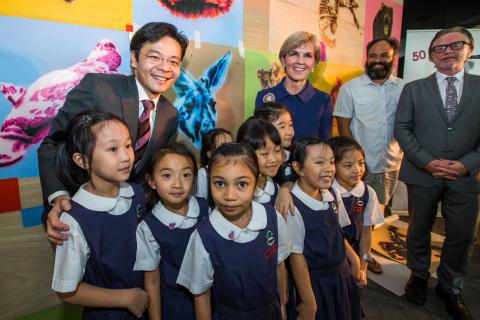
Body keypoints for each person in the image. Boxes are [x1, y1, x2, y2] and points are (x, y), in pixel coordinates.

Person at [39, 22, 189, 245]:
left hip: (130, 220)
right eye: (155, 57)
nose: (165, 68)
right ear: (134, 59)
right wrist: (58, 197)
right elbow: (52, 144)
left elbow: (152, 169)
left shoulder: (169, 113)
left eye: (173, 61)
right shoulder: (97, 88)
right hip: (78, 215)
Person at [394, 27, 480, 320]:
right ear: (431, 56)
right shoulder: (414, 89)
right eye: (440, 48)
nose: (447, 51)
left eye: (456, 45)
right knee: (418, 229)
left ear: (469, 49)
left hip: (465, 176)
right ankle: (418, 275)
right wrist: (427, 161)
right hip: (422, 173)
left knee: (461, 235)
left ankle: (450, 287)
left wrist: (468, 163)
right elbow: (402, 129)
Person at [51, 111, 149, 319]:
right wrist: (126, 298)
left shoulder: (137, 194)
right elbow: (66, 291)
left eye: (128, 145)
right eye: (113, 149)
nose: (126, 157)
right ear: (82, 160)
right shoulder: (73, 220)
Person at [176, 142, 290, 319]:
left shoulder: (272, 219)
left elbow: (279, 265)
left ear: (257, 182)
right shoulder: (204, 237)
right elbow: (201, 294)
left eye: (242, 184)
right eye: (220, 183)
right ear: (209, 180)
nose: (230, 195)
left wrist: (282, 306)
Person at [334, 36, 404, 273]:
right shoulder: (351, 88)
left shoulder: (404, 88)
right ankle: (347, 253)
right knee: (350, 212)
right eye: (372, 55)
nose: (377, 60)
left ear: (394, 57)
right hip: (358, 166)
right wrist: (349, 161)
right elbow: (344, 126)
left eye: (384, 55)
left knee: (375, 212)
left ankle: (366, 252)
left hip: (390, 162)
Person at [287, 138, 361, 320]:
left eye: (331, 161)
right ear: (298, 168)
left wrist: (353, 258)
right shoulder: (293, 207)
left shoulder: (331, 193)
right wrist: (308, 301)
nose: (329, 168)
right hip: (315, 284)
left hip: (339, 276)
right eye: (319, 162)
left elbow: (336, 231)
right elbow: (296, 257)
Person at [134, 143, 210, 319]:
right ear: (151, 181)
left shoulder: (205, 208)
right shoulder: (149, 226)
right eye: (167, 175)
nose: (178, 184)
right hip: (176, 307)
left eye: (186, 175)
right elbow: (152, 282)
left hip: (210, 299)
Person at [255, 31, 333, 141]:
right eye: (294, 54)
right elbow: (259, 141)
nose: (300, 61)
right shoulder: (264, 97)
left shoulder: (324, 101)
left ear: (314, 64)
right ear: (283, 60)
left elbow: (325, 146)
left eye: (307, 55)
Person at [329, 136, 385, 289]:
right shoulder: (327, 194)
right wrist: (355, 260)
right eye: (348, 165)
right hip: (331, 257)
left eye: (361, 163)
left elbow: (367, 232)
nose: (357, 170)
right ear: (333, 167)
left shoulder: (368, 193)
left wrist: (363, 266)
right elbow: (336, 233)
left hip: (354, 253)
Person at [237, 118, 284, 207]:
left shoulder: (276, 188)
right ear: (245, 154)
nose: (273, 159)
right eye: (264, 153)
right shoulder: (235, 192)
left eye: (277, 150)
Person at [196, 128, 233, 199]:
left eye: (232, 145)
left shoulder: (238, 169)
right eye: (223, 147)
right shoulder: (202, 175)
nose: (230, 150)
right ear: (209, 154)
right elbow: (201, 204)